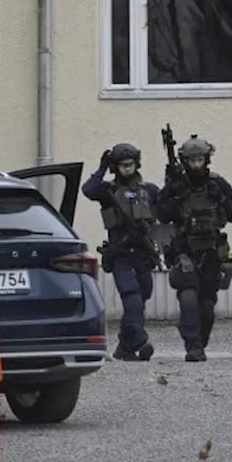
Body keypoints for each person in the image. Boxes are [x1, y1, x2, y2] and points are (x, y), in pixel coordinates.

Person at [155, 135, 232, 362]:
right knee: (188, 297)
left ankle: (199, 340)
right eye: (192, 161)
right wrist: (175, 197)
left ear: (207, 160)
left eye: (200, 160)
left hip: (212, 250)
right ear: (185, 161)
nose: (196, 165)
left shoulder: (217, 183)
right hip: (185, 250)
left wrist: (220, 197)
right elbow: (161, 215)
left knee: (207, 304)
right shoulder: (175, 185)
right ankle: (192, 345)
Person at [82, 143, 161, 361]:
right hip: (121, 254)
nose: (127, 169)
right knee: (132, 297)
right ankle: (139, 339)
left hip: (143, 253)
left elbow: (166, 208)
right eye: (122, 165)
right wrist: (101, 169)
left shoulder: (149, 191)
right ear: (116, 167)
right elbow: (88, 189)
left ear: (137, 164)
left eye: (130, 164)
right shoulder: (108, 192)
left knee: (142, 296)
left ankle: (124, 349)